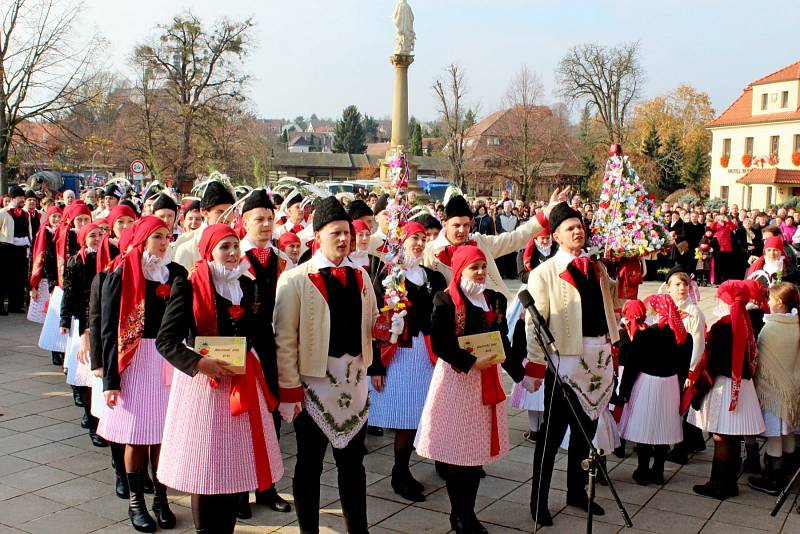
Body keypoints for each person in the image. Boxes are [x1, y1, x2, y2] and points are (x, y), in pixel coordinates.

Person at [156, 224, 284, 534]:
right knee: (205, 464)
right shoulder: (188, 285)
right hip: (203, 386)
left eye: (235, 246)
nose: (232, 252)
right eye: (224, 246)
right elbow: (166, 340)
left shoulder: (247, 285)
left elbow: (257, 330)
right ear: (209, 250)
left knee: (233, 465)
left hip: (241, 381)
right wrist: (200, 363)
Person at [273, 196, 379, 534]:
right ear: (317, 235)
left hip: (353, 382)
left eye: (347, 232)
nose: (344, 239)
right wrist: (289, 390)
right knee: (309, 464)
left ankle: (358, 529)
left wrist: (389, 328)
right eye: (336, 232)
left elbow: (373, 321)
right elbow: (285, 339)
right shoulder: (295, 279)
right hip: (313, 385)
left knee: (353, 464)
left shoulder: (361, 275)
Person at [415, 245, 526, 533]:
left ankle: (468, 512)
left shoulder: (495, 300)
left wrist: (521, 373)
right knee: (457, 453)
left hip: (486, 381)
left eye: (482, 267)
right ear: (460, 270)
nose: (479, 273)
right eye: (473, 267)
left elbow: (504, 341)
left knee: (475, 453)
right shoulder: (445, 300)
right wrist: (470, 361)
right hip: (457, 381)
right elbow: (440, 343)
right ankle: (459, 514)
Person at [525, 202, 620, 527]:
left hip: (596, 360)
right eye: (569, 228)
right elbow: (534, 322)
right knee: (551, 440)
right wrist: (536, 367)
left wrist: (614, 344)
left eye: (579, 226)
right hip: (563, 365)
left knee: (585, 434)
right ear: (555, 236)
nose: (577, 231)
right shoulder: (544, 273)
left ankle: (576, 493)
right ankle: (538, 501)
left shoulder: (597, 267)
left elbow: (608, 309)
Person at [98, 216, 184, 531]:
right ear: (143, 240)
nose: (164, 242)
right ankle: (137, 502)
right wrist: (110, 379)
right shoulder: (120, 275)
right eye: (157, 237)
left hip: (166, 359)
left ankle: (161, 497)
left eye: (167, 236)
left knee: (162, 435)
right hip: (133, 360)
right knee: (136, 436)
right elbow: (108, 332)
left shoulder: (176, 273)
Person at [368, 221, 446, 502]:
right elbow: (375, 324)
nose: (418, 243)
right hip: (400, 353)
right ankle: (399, 472)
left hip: (427, 351)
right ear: (400, 242)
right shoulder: (389, 277)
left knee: (425, 412)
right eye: (413, 238)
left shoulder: (433, 277)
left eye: (423, 238)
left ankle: (415, 467)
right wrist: (376, 364)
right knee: (406, 416)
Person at [236, 190, 291, 514]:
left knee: (272, 419)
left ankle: (267, 487)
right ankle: (240, 490)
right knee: (244, 420)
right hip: (243, 349)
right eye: (259, 219)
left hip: (273, 349)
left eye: (270, 218)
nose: (266, 224)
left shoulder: (282, 260)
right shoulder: (235, 258)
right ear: (245, 222)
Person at [687, 281, 767, 500]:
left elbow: (713, 365)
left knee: (722, 436)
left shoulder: (724, 327)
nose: (716, 300)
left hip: (725, 386)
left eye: (720, 296)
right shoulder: (747, 321)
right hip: (743, 385)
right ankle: (729, 482)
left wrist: (699, 392)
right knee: (732, 435)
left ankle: (718, 483)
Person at [424, 189, 565, 301]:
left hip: (492, 310)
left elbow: (515, 238)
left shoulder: (479, 242)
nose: (462, 230)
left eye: (466, 225)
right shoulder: (430, 252)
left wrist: (545, 214)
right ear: (445, 224)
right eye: (456, 225)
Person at [617, 295, 692, 486]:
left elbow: (632, 366)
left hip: (646, 383)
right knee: (663, 427)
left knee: (645, 426)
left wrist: (624, 391)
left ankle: (642, 470)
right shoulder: (684, 337)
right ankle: (658, 470)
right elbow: (683, 368)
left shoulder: (646, 335)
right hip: (670, 385)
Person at [746, 282, 800, 495]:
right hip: (793, 389)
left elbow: (760, 358)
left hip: (774, 391)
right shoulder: (795, 323)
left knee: (775, 435)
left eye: (770, 299)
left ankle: (774, 479)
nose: (767, 302)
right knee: (788, 433)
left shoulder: (772, 327)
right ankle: (788, 472)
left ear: (779, 303)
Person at [60, 221, 107, 447]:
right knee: (86, 374)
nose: (97, 239)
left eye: (100, 235)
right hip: (82, 321)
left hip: (102, 320)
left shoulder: (111, 256)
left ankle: (100, 418)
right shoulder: (76, 262)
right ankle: (91, 421)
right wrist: (65, 319)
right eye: (92, 236)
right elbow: (70, 293)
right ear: (83, 238)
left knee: (96, 376)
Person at [661, 266, 708, 464]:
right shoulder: (667, 308)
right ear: (668, 287)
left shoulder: (693, 312)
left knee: (682, 406)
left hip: (686, 367)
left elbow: (698, 343)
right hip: (670, 365)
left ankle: (681, 449)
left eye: (685, 284)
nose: (682, 288)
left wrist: (691, 371)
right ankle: (692, 441)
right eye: (677, 284)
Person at [174, 182, 235, 270]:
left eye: (229, 211)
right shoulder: (186, 246)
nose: (226, 217)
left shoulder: (237, 244)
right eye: (220, 212)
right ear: (204, 212)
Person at [28, 206, 63, 336]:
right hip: (43, 279)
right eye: (54, 216)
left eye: (59, 216)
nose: (57, 219)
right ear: (48, 217)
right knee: (46, 314)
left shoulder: (65, 233)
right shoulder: (41, 233)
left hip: (60, 279)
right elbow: (34, 259)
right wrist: (32, 286)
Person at [0, 185, 33, 313]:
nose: (22, 199)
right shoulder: (3, 213)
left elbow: (28, 230)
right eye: (20, 197)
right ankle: (1, 306)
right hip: (6, 248)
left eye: (22, 197)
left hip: (22, 249)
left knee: (20, 278)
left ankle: (16, 305)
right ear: (13, 198)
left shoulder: (26, 214)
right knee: (4, 278)